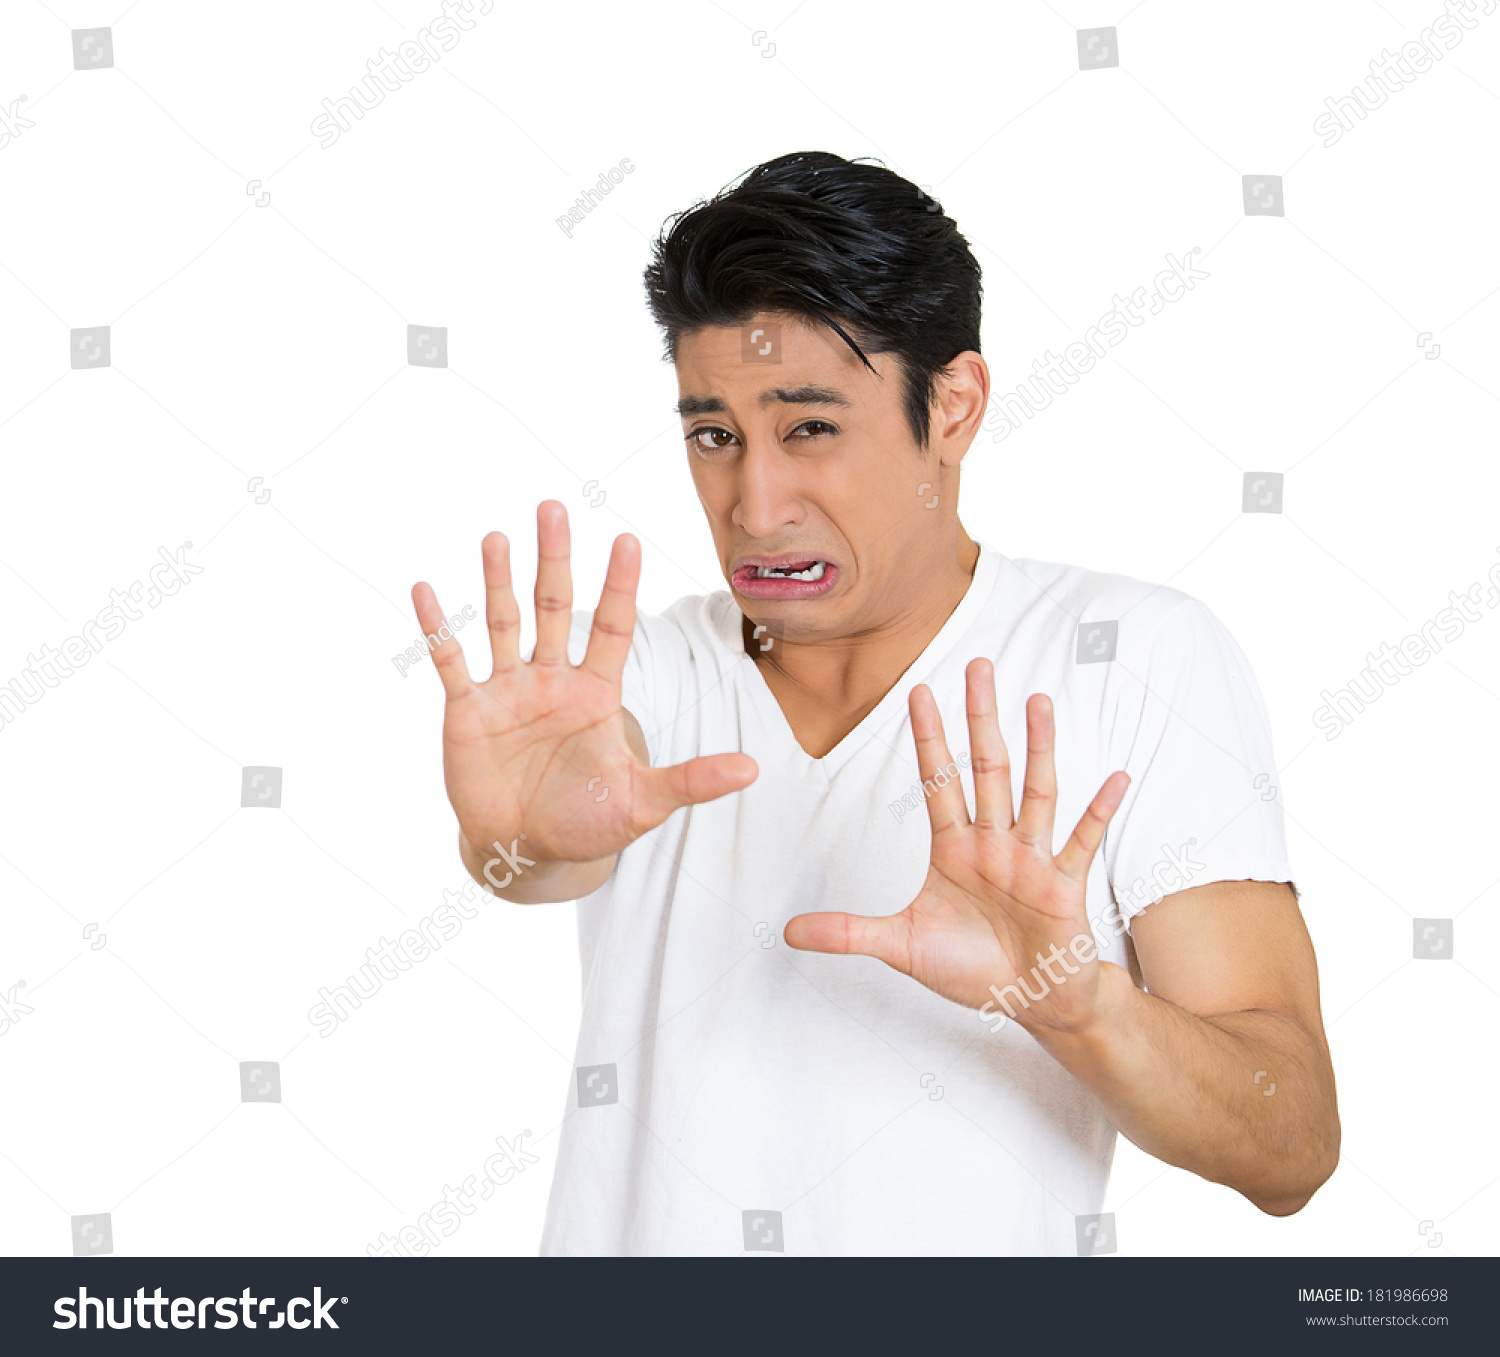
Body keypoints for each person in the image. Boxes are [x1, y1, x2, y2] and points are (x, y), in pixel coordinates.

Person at [410, 151, 1339, 1256]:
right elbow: (541, 854)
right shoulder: (643, 682)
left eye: (810, 428)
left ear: (952, 406)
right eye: (714, 434)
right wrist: (511, 840)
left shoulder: (1132, 658)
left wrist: (1084, 1008)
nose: (754, 502)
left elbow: (1293, 1148)